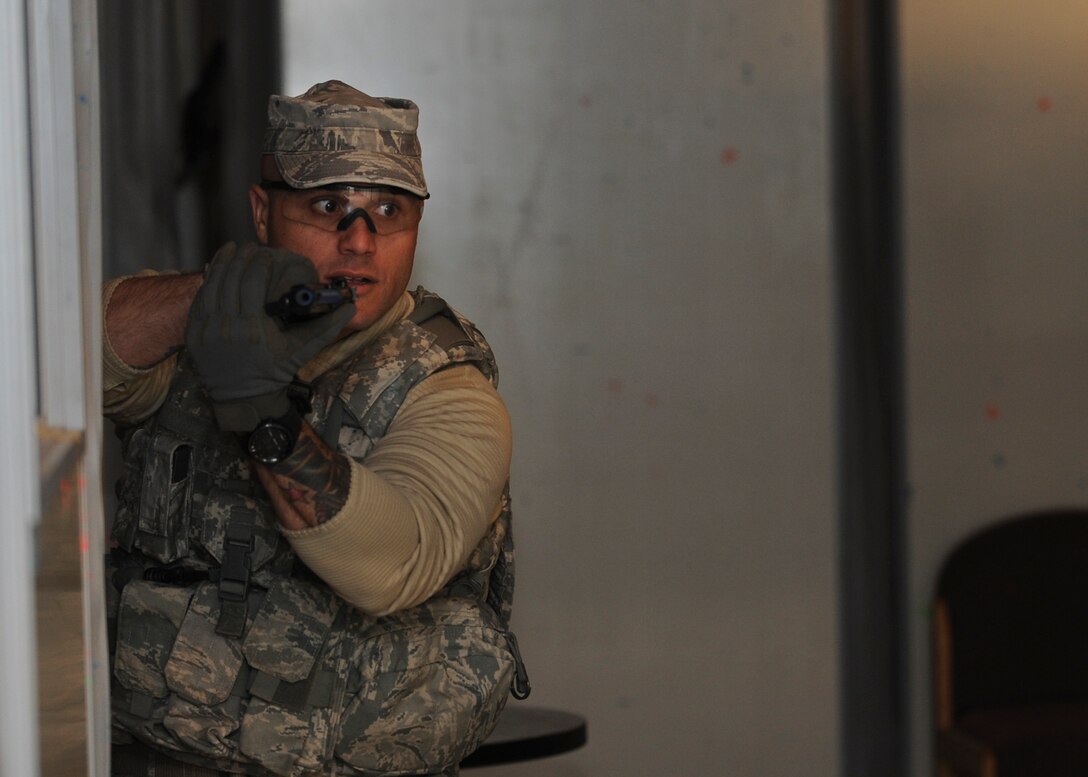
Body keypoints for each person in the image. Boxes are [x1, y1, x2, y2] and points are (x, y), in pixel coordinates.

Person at [103, 79, 528, 777]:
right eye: (329, 205)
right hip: (156, 748)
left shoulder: (449, 387)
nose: (358, 242)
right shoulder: (194, 336)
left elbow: (392, 561)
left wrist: (266, 417)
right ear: (263, 212)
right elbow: (51, 363)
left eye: (386, 211)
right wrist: (210, 301)